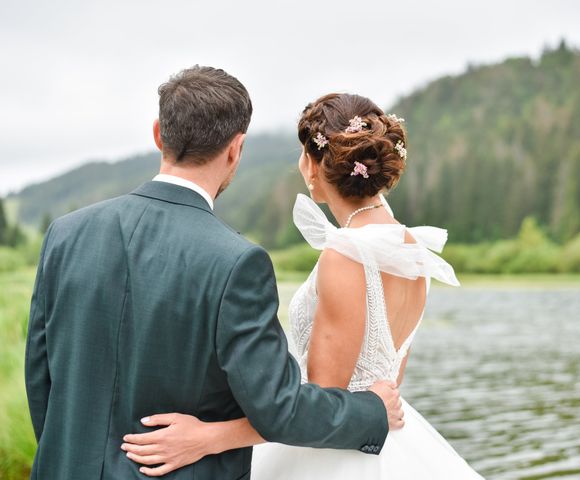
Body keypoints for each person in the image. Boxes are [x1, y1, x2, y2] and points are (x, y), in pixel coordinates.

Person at [24, 68, 404, 480]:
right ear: (236, 149)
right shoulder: (237, 263)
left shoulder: (64, 234)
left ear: (158, 134)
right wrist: (371, 410)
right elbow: (278, 407)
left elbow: (40, 377)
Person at [121, 93, 485, 478]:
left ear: (313, 165)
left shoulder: (346, 254)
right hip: (392, 443)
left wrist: (207, 438)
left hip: (334, 456)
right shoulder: (413, 248)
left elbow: (321, 408)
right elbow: (389, 383)